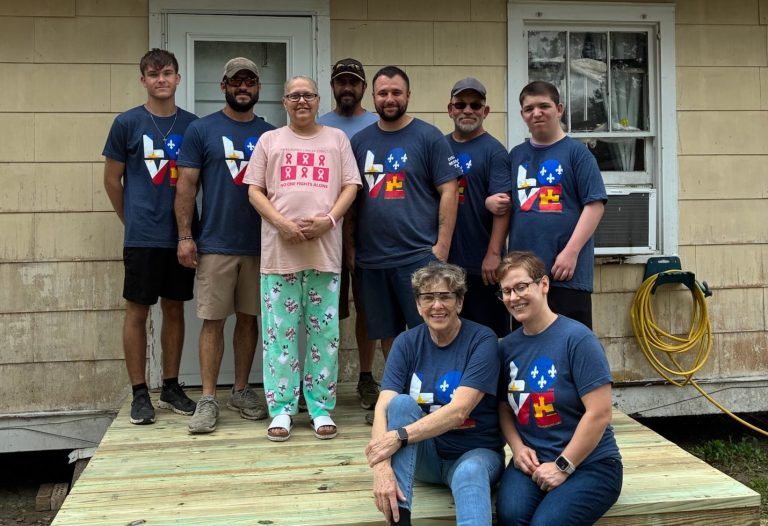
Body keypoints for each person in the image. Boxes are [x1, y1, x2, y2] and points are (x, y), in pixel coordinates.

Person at [245, 76, 361, 441]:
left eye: (307, 95)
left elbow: (351, 185)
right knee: (280, 334)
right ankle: (281, 409)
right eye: (294, 96)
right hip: (280, 255)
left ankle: (320, 407)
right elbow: (254, 190)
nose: (301, 101)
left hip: (324, 254)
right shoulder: (270, 140)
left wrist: (329, 220)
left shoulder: (336, 139)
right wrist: (280, 223)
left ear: (317, 99)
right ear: (284, 102)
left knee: (324, 334)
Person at [175, 57, 273, 434]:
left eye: (249, 81)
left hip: (260, 245)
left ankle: (242, 390)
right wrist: (185, 236)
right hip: (215, 242)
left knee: (249, 319)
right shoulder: (202, 130)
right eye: (236, 81)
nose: (242, 87)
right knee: (213, 320)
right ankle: (208, 398)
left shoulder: (271, 134)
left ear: (258, 88)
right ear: (223, 86)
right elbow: (186, 187)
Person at [365, 262, 504, 526]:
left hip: (474, 453)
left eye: (445, 296)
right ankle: (400, 521)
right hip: (424, 458)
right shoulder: (406, 342)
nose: (437, 305)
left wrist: (399, 436)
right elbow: (383, 406)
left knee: (470, 471)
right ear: (418, 305)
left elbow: (459, 411)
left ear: (459, 302)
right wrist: (381, 466)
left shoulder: (482, 340)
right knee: (400, 404)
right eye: (428, 297)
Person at [103, 48, 198, 425]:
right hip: (142, 236)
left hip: (181, 235)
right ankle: (139, 393)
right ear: (143, 80)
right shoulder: (127, 123)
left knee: (175, 307)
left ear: (178, 78)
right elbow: (112, 180)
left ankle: (171, 386)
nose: (161, 79)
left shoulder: (193, 125)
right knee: (137, 310)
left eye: (167, 73)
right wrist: (131, 220)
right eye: (154, 74)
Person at [495, 251, 622, 525]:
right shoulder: (507, 347)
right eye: (506, 291)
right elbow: (504, 407)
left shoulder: (578, 340)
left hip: (590, 464)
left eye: (521, 287)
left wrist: (564, 465)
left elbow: (600, 413)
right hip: (534, 461)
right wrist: (517, 448)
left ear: (544, 284)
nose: (513, 297)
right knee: (510, 516)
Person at [349, 66, 461, 364]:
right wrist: (351, 248)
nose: (389, 99)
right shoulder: (359, 142)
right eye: (383, 93)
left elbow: (449, 190)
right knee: (389, 335)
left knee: (431, 329)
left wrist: (441, 248)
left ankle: (430, 388)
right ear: (373, 97)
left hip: (418, 255)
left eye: (396, 92)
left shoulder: (428, 136)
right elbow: (351, 200)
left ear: (408, 95)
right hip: (373, 260)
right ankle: (398, 388)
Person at [487, 81, 606, 329]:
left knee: (570, 340)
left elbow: (595, 205)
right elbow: (505, 203)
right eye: (529, 108)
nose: (536, 113)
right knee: (527, 341)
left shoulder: (578, 154)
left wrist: (571, 252)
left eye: (544, 106)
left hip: (565, 273)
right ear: (522, 114)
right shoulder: (516, 155)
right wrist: (490, 202)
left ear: (559, 109)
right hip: (522, 277)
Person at [317, 58, 381, 413]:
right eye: (340, 82)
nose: (346, 88)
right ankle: (317, 378)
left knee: (368, 308)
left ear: (363, 88)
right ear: (333, 87)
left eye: (353, 83)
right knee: (324, 308)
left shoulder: (376, 124)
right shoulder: (319, 125)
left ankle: (366, 376)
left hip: (371, 228)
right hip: (327, 230)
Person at [445, 77, 511, 338]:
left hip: (483, 266)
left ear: (486, 111)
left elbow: (503, 207)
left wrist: (493, 254)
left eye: (475, 105)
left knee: (489, 335)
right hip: (446, 261)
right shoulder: (439, 147)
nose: (467, 110)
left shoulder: (495, 151)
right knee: (451, 333)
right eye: (460, 104)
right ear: (450, 109)